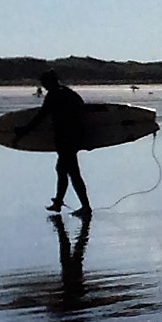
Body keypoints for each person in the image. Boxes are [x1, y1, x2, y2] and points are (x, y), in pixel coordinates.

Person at [38, 68, 94, 215]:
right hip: (75, 137)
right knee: (65, 170)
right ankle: (59, 203)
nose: (43, 86)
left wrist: (24, 131)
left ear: (50, 82)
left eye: (44, 83)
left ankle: (84, 207)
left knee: (70, 172)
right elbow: (83, 111)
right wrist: (87, 138)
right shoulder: (70, 93)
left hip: (65, 138)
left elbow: (41, 116)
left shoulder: (53, 95)